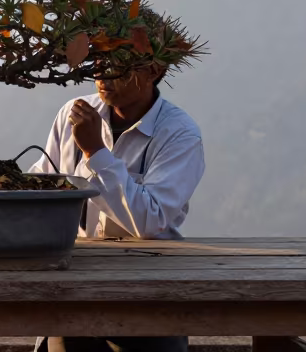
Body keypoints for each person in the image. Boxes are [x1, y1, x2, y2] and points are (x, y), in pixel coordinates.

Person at [29, 61, 206, 352]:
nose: (104, 73)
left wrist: (95, 152)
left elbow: (151, 220)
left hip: (149, 295)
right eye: (99, 62)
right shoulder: (73, 113)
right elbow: (44, 184)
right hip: (74, 290)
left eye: (121, 64)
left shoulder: (178, 133)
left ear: (154, 70)